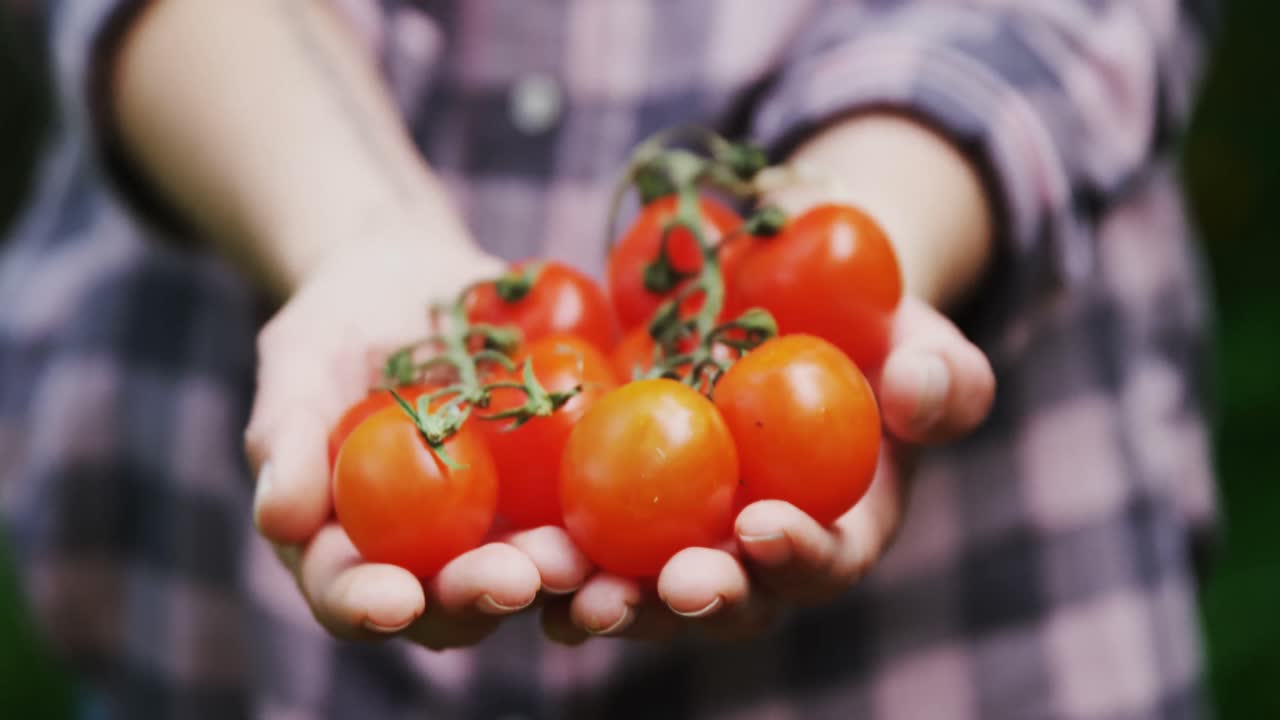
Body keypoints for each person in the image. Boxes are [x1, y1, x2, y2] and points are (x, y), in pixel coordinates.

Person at [0, 1, 1218, 717]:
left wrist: (872, 213)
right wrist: (353, 230)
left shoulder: (665, 337)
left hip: (966, 650)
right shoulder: (570, 370)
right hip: (229, 635)